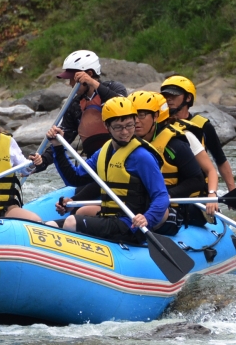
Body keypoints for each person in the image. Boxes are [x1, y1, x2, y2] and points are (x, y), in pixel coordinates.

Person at [45, 97, 170, 243]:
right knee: (50, 226)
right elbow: (74, 178)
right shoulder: (104, 152)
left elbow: (161, 196)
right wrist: (58, 147)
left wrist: (147, 218)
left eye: (129, 125)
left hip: (130, 225)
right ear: (107, 126)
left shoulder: (142, 156)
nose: (125, 132)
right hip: (107, 218)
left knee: (71, 222)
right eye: (118, 127)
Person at [130, 90, 218, 220]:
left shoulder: (179, 142)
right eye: (133, 116)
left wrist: (212, 194)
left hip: (178, 206)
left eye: (141, 115)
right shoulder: (124, 143)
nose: (136, 121)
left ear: (156, 116)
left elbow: (204, 174)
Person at [37, 50, 128, 172]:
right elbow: (65, 136)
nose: (70, 84)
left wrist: (92, 83)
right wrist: (42, 161)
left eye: (73, 79)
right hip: (94, 165)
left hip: (121, 161)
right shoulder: (75, 104)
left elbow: (122, 106)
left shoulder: (114, 88)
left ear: (89, 74)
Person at [160, 75, 236, 192]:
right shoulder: (159, 125)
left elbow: (220, 160)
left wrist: (232, 190)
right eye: (165, 96)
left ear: (188, 98)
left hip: (198, 190)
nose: (168, 99)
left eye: (173, 95)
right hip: (171, 190)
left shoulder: (203, 126)